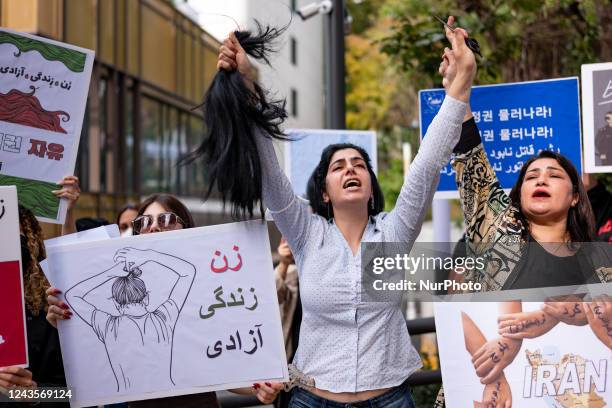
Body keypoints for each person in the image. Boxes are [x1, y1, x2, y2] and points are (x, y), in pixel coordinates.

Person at [212, 16, 476, 407]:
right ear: (324, 191)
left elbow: (425, 166)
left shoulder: (395, 232)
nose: (350, 169)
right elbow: (268, 173)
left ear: (370, 188)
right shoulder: (305, 233)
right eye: (338, 167)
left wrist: (461, 84)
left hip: (389, 399)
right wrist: (250, 85)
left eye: (358, 165)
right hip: (311, 400)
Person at [434, 46, 612, 407]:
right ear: (519, 194)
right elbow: (471, 159)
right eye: (531, 176)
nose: (540, 179)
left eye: (554, 174)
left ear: (576, 196)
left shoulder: (600, 258)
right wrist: (459, 87)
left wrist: (557, 314)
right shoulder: (495, 232)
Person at [46, 194, 282, 407]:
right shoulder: (161, 315)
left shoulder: (208, 292)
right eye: (144, 223)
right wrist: (67, 325)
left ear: (186, 227)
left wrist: (259, 388)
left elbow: (223, 370)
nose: (154, 228)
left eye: (165, 220)